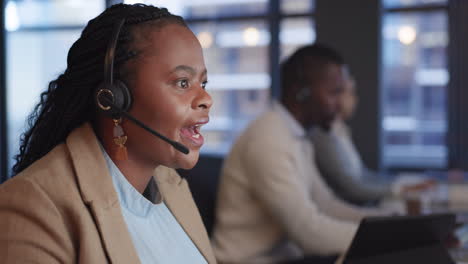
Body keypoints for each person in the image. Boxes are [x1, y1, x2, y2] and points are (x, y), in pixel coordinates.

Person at [0, 4, 216, 263]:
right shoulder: (34, 207)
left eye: (202, 83)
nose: (206, 98)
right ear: (113, 99)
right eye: (183, 82)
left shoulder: (170, 187)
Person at [211, 44, 391, 264]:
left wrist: (388, 221)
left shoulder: (296, 135)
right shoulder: (268, 138)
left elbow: (325, 204)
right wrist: (387, 237)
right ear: (302, 91)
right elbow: (307, 233)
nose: (340, 103)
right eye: (335, 92)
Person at [312, 68, 434, 206]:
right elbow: (352, 188)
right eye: (350, 92)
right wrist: (400, 189)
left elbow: (361, 175)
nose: (355, 99)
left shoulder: (340, 130)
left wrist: (400, 183)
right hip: (351, 207)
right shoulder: (322, 135)